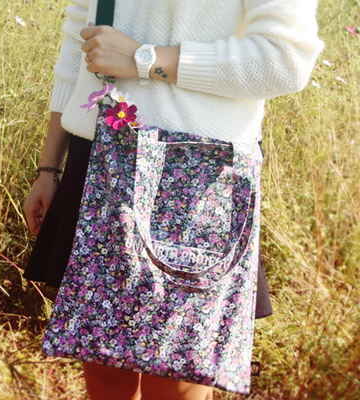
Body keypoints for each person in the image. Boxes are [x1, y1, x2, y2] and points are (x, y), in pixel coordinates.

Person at [23, 1, 323, 399]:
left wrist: (143, 59)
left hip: (198, 174)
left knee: (177, 382)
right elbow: (79, 37)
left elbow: (285, 60)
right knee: (104, 368)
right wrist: (49, 167)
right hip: (99, 159)